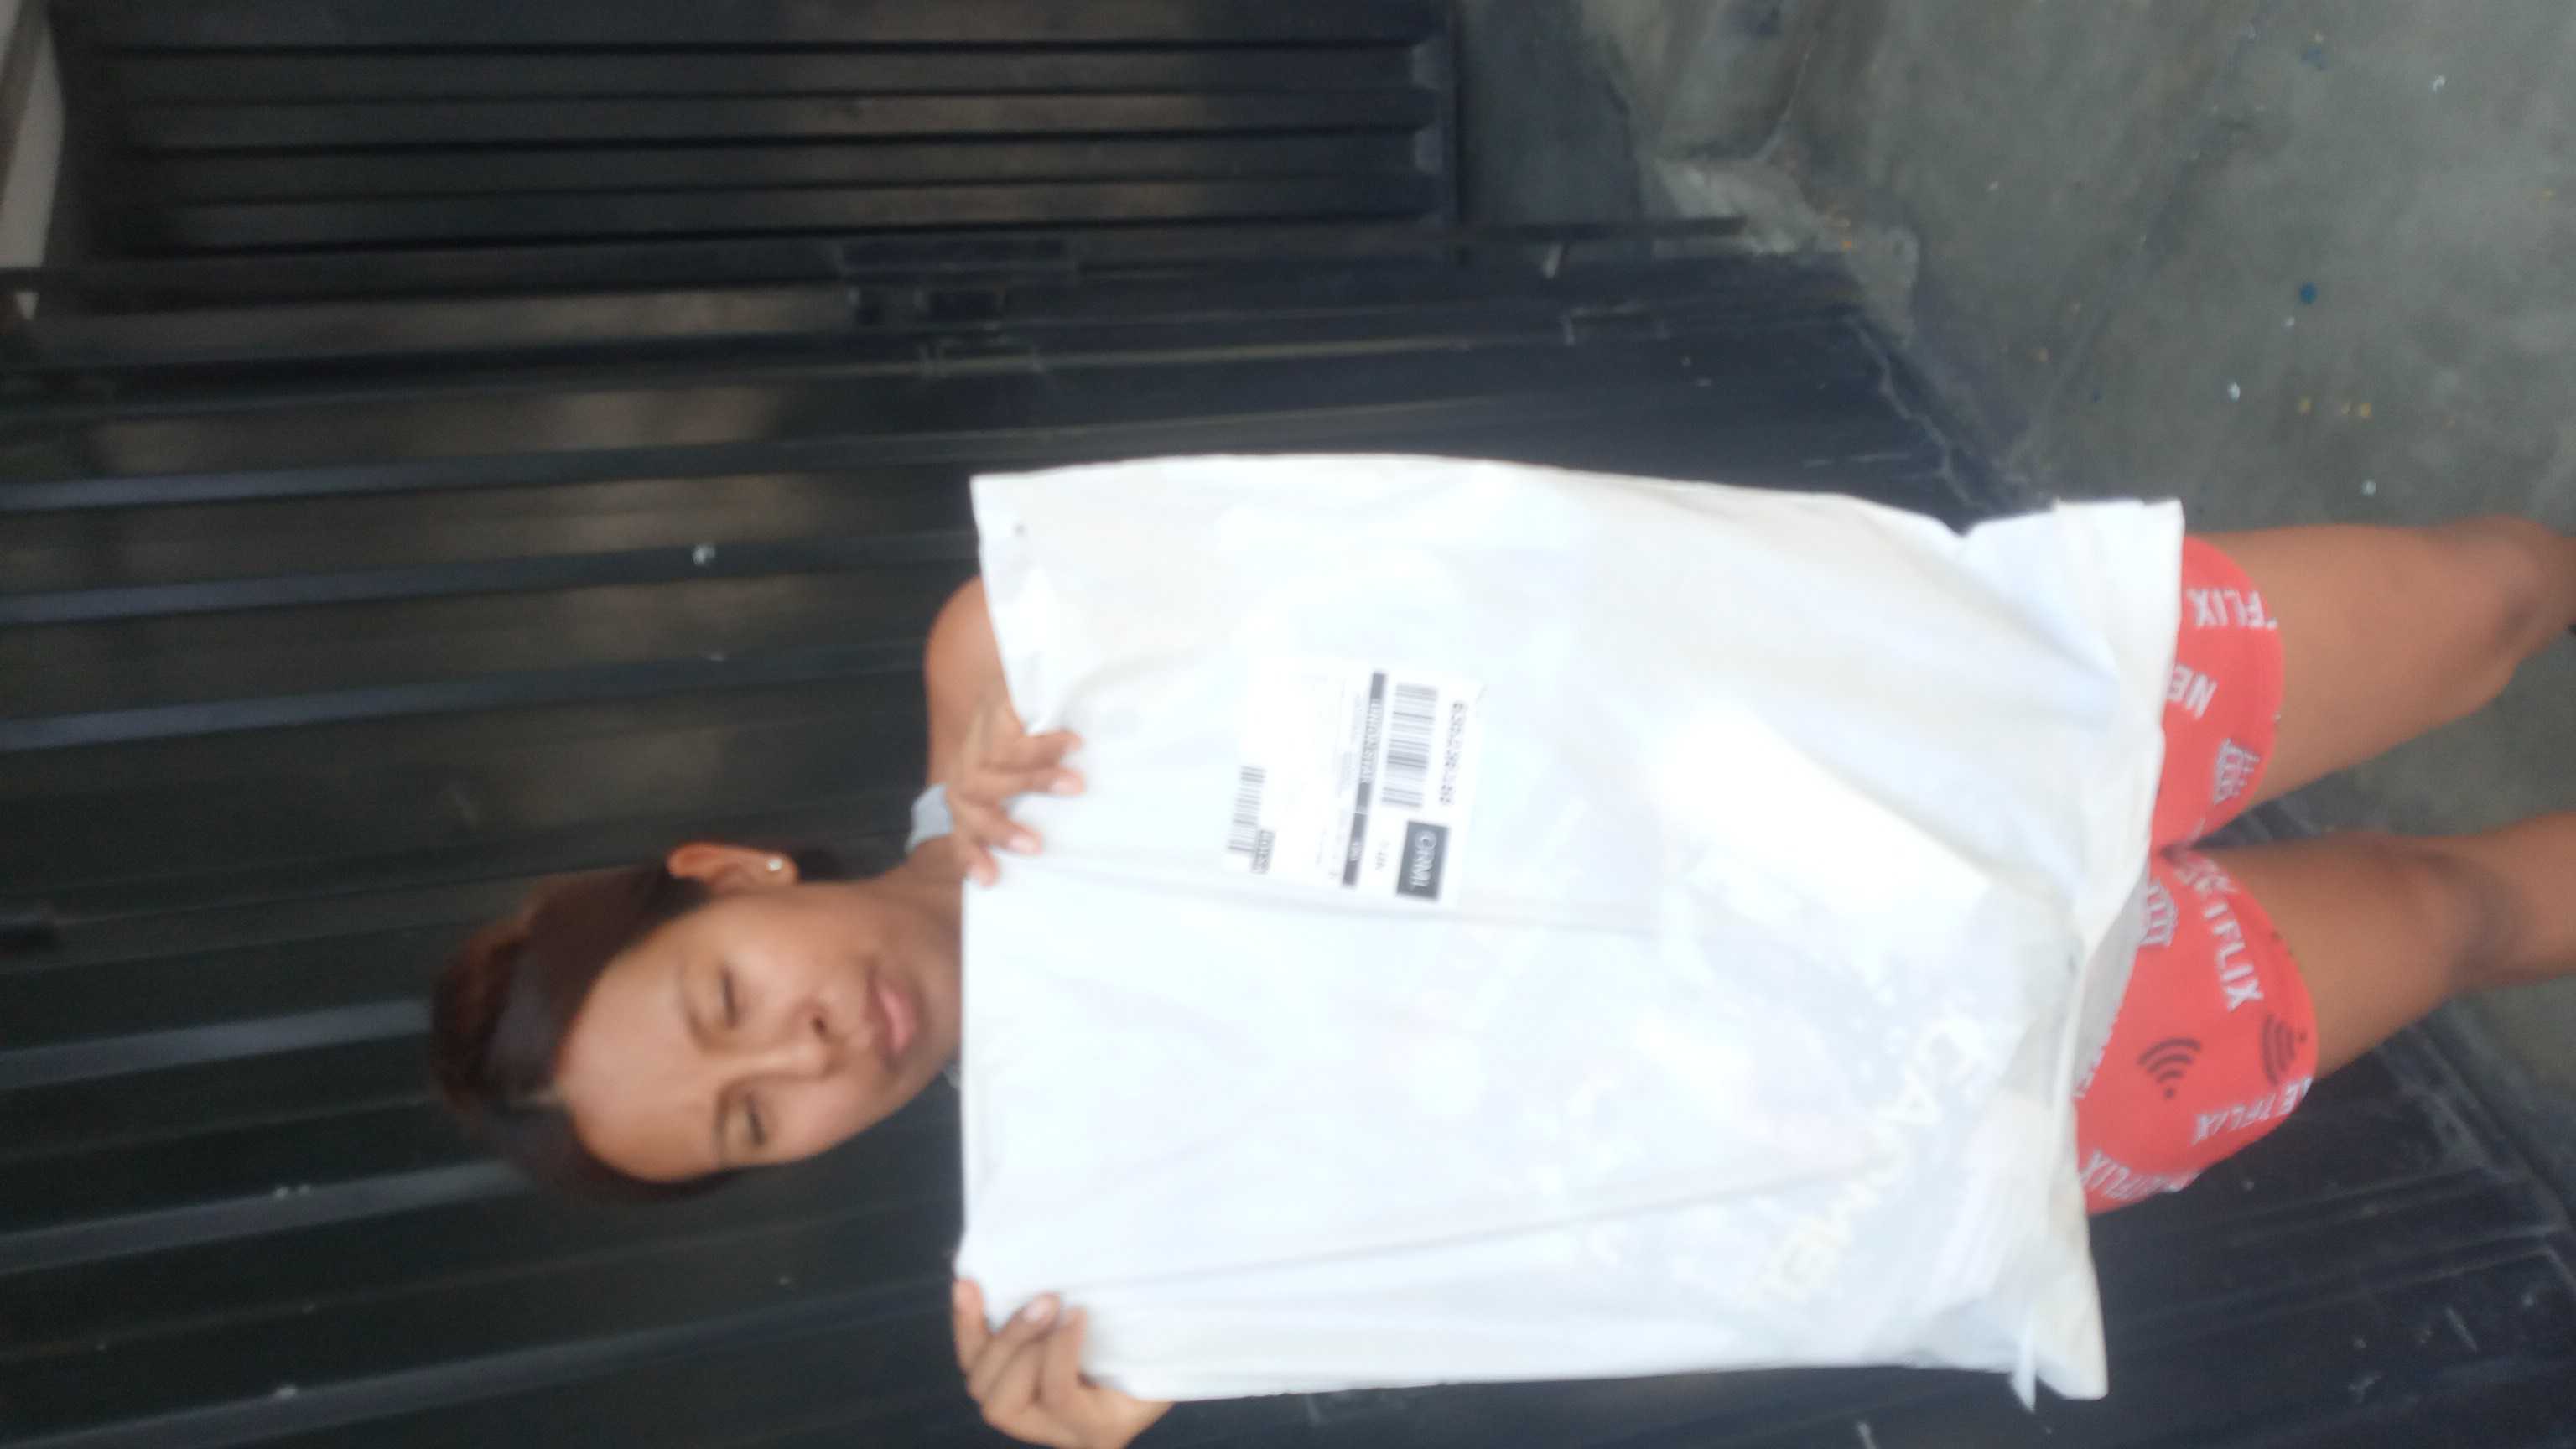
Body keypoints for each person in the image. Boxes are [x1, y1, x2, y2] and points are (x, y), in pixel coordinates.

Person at [434, 511, 2576, 1449]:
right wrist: (1176, 1360)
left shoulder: (1019, 656)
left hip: (1940, 721)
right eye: (755, 1120)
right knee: (2457, 918)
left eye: (728, 1000)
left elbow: (1468, 554)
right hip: (1975, 1072)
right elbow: (1473, 1249)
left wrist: (1038, 697)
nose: (810, 1049)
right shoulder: (1086, 1258)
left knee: (2481, 598)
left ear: (729, 874)